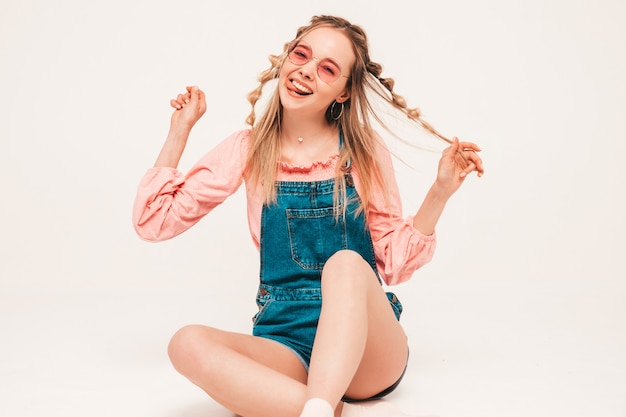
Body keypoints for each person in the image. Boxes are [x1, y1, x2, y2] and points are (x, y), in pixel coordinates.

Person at [132, 15, 483, 417]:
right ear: (286, 59)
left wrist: (440, 192)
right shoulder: (248, 149)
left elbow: (393, 263)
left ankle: (303, 404)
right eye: (302, 55)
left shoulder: (362, 153)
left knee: (347, 265)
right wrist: (180, 130)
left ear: (344, 93)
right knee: (186, 343)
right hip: (287, 341)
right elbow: (153, 220)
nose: (306, 71)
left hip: (369, 350)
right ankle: (319, 407)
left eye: (328, 69)